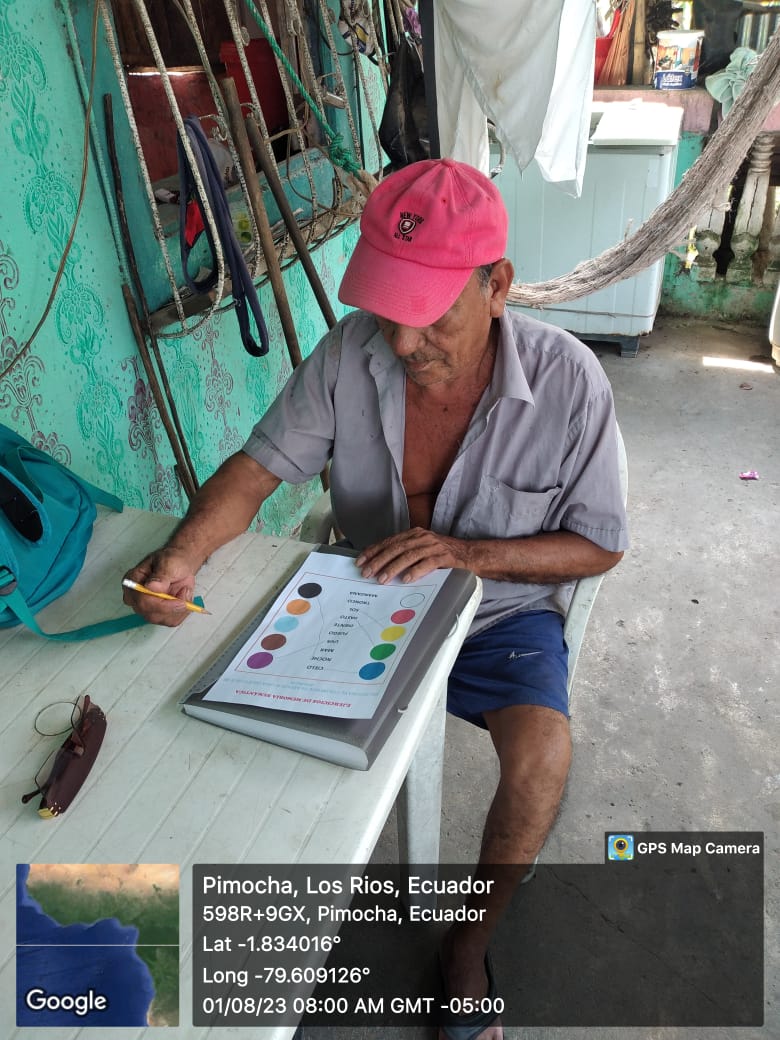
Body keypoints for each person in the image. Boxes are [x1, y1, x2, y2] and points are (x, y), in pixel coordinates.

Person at [124, 157, 628, 1040]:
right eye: (390, 310)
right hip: (363, 599)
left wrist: (467, 554)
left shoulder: (571, 382)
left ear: (498, 287)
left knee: (541, 762)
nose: (400, 343)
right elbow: (256, 471)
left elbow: (600, 543)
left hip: (498, 621)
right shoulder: (348, 354)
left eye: (428, 314)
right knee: (229, 726)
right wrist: (181, 557)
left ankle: (468, 944)